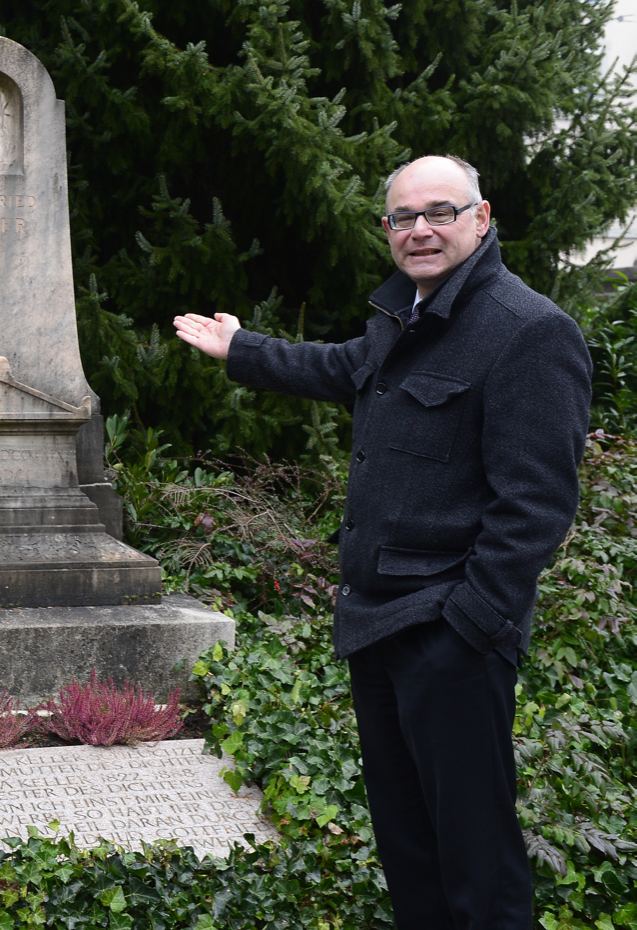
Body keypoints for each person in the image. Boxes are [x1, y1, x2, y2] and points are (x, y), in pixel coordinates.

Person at [173, 155, 592, 929]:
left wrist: (468, 628)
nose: (422, 230)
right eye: (405, 217)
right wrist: (243, 349)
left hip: (448, 639)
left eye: (441, 211)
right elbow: (338, 367)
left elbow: (535, 506)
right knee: (412, 857)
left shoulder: (529, 331)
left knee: (478, 869)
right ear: (387, 230)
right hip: (376, 626)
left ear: (482, 216)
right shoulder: (405, 318)